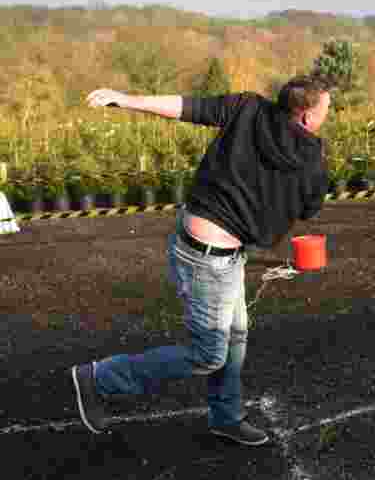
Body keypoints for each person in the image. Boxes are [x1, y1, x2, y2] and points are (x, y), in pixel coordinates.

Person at [71, 76, 331, 446]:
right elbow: (310, 208)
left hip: (213, 245)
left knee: (236, 335)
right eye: (325, 110)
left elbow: (187, 107)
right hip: (208, 259)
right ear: (305, 117)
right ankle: (98, 379)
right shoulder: (311, 159)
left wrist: (126, 99)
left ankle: (226, 416)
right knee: (207, 354)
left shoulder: (247, 107)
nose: (327, 116)